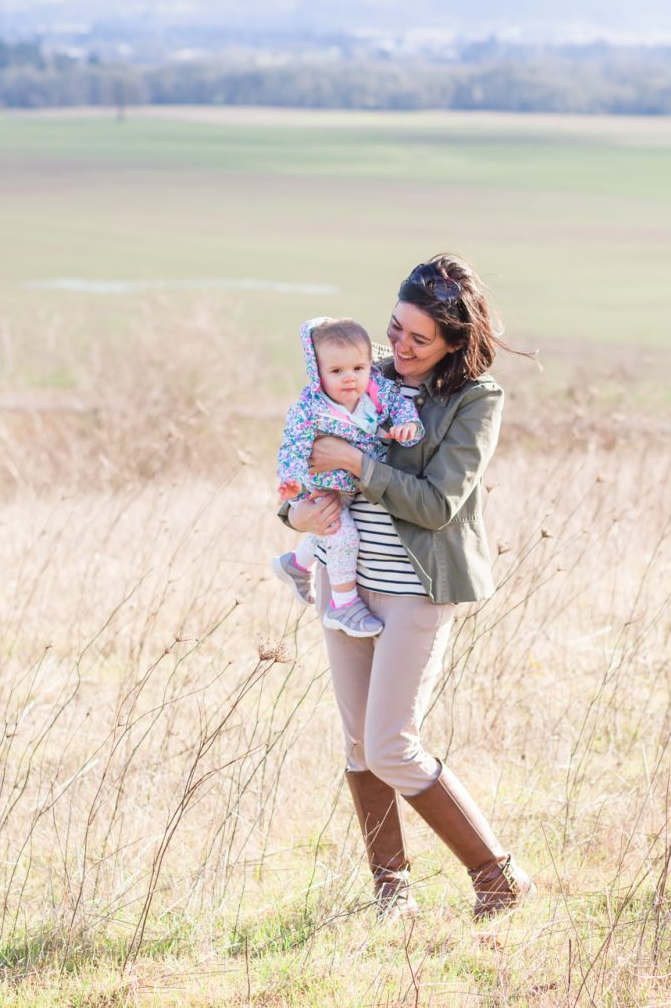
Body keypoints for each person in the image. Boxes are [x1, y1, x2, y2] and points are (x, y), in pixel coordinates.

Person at [281, 253, 533, 921]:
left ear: (455, 340)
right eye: (395, 329)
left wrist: (359, 463)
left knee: (391, 741)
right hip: (347, 587)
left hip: (420, 591)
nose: (398, 347)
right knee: (360, 746)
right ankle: (391, 895)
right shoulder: (364, 380)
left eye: (419, 339)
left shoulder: (476, 402)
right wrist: (293, 514)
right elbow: (303, 459)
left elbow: (437, 504)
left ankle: (497, 876)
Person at [272, 317, 423, 638]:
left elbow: (400, 406)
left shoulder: (377, 390)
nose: (350, 379)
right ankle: (343, 604)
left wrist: (407, 426)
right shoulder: (311, 408)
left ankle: (297, 565)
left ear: (369, 364)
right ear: (318, 372)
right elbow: (293, 447)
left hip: (355, 481)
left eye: (358, 368)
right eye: (336, 372)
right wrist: (293, 483)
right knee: (341, 534)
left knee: (328, 528)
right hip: (323, 485)